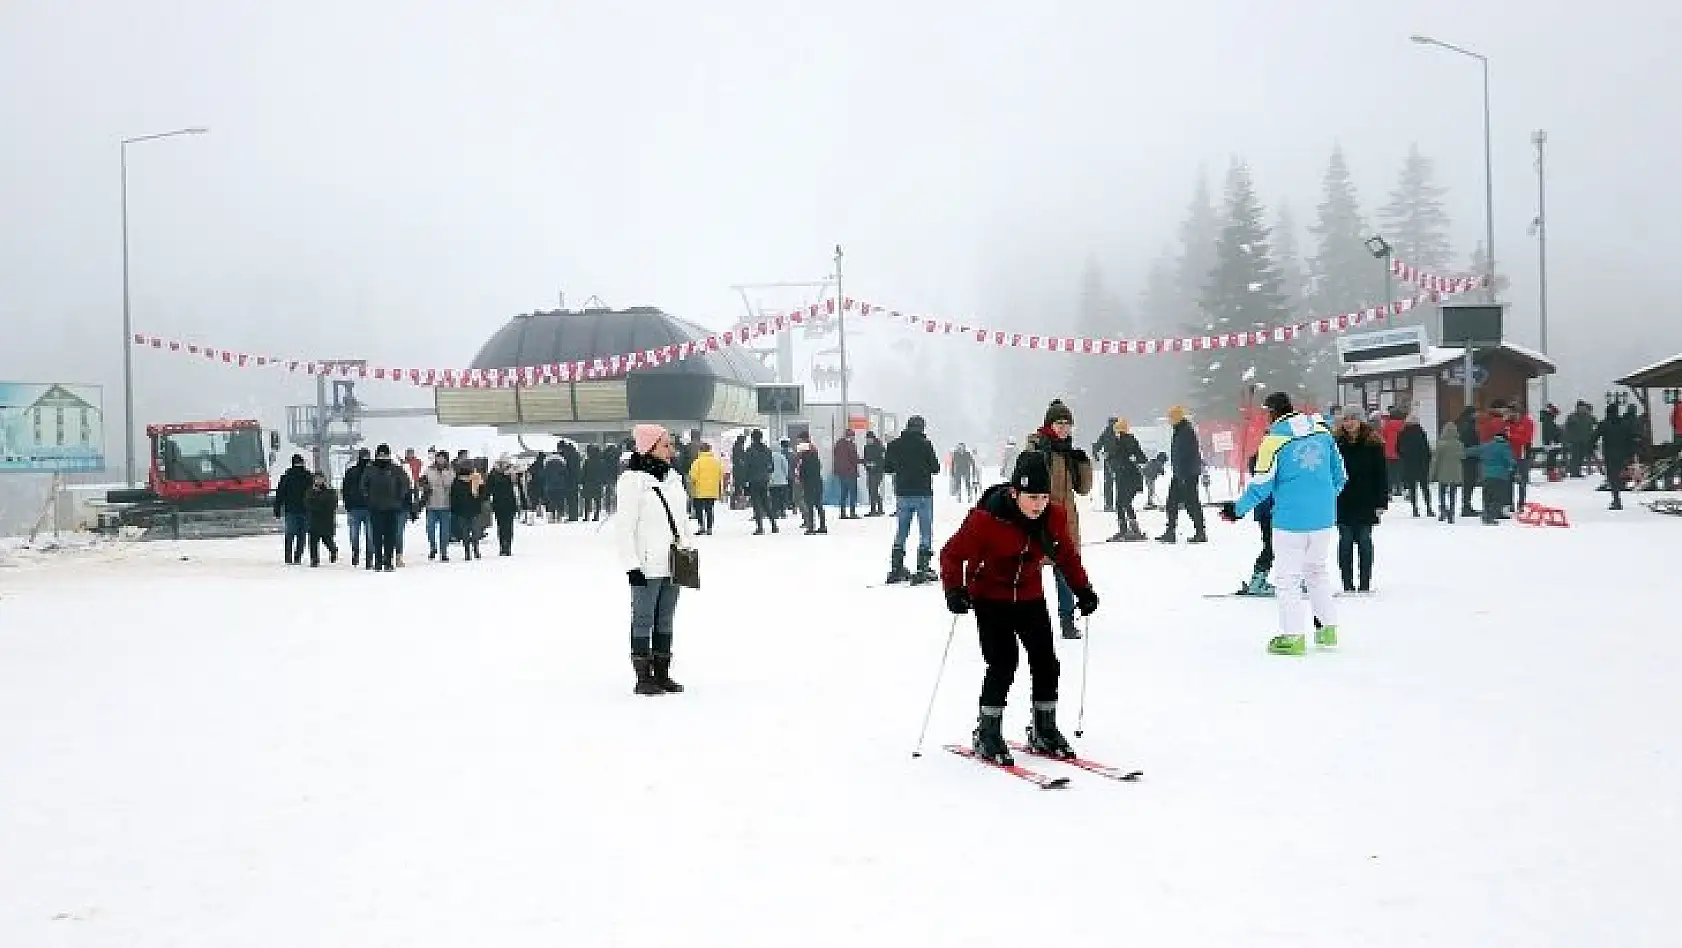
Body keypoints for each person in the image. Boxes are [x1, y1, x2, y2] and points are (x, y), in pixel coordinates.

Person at [940, 451, 1098, 766]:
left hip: (1029, 595)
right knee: (1003, 662)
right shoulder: (986, 520)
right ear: (1015, 493)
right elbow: (951, 554)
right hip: (990, 597)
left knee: (1046, 662)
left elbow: (1066, 555)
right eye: (1031, 497)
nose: (1038, 504)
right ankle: (988, 731)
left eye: (1043, 496)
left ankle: (1044, 728)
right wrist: (954, 590)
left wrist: (1083, 589)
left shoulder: (1053, 517)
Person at [1219, 392, 1347, 656]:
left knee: (1288, 579)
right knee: (1317, 572)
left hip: (1290, 521)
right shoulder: (1322, 432)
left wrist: (1236, 510)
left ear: (1272, 413)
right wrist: (1321, 500)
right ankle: (1328, 629)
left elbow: (1260, 486)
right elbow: (1340, 475)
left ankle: (1293, 637)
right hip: (1323, 519)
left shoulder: (1274, 441)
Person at [616, 424, 694, 696]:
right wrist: (631, 565)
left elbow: (682, 520)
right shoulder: (632, 482)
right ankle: (643, 676)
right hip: (646, 565)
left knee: (665, 619)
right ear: (649, 447)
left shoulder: (673, 478)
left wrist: (687, 547)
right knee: (643, 619)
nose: (671, 450)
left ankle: (662, 673)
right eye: (665, 445)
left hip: (673, 561)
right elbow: (624, 528)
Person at [1022, 399, 1094, 639]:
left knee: (1064, 574)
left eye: (1067, 424)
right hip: (1038, 519)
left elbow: (1083, 489)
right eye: (1059, 423)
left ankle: (1067, 621)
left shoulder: (1068, 452)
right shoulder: (1037, 448)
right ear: (1049, 424)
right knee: (1030, 574)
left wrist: (1083, 463)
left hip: (1065, 522)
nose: (1063, 428)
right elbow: (1021, 482)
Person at [1334, 411, 1388, 592]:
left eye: (1353, 419)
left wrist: (1381, 502)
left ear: (1361, 421)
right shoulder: (1335, 443)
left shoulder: (1374, 444)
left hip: (1367, 500)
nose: (1349, 423)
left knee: (1364, 541)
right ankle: (1347, 584)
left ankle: (1365, 583)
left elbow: (1381, 475)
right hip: (1343, 499)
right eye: (1346, 419)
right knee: (1345, 541)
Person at [883, 415, 941, 584]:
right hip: (923, 493)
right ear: (922, 428)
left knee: (901, 531)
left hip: (902, 493)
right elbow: (935, 468)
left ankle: (896, 567)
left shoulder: (894, 445)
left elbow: (887, 468)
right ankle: (922, 568)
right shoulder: (925, 444)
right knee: (925, 532)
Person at [1159, 406, 1207, 543]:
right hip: (1180, 473)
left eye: (1171, 418)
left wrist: (1184, 475)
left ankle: (1200, 532)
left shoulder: (1186, 431)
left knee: (1191, 503)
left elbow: (1187, 454)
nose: (1169, 421)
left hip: (1187, 474)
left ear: (1177, 418)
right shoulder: (1180, 430)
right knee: (1171, 503)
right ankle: (1170, 532)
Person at [361, 444, 411, 572]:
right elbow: (363, 486)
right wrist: (368, 498)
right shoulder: (370, 470)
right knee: (376, 536)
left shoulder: (396, 469)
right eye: (380, 454)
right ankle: (378, 561)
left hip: (392, 508)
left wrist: (399, 497)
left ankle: (388, 561)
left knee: (390, 536)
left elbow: (405, 484)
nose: (382, 457)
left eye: (384, 454)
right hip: (375, 508)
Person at [1104, 419, 1148, 542]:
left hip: (1124, 478)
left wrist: (1108, 457)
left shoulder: (1120, 442)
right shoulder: (1131, 440)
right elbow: (1143, 458)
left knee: (1121, 504)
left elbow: (1115, 457)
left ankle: (1125, 530)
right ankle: (1133, 530)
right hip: (1132, 478)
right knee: (1126, 503)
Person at [273, 454, 313, 565]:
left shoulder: (287, 476)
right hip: (305, 510)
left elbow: (280, 494)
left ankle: (288, 557)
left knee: (290, 534)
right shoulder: (308, 476)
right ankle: (297, 557)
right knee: (302, 535)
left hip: (291, 510)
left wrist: (277, 508)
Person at [419, 450, 457, 561]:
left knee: (445, 531)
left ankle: (444, 551)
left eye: (442, 458)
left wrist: (444, 473)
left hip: (445, 504)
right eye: (438, 457)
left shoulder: (451, 471)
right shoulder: (429, 469)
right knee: (430, 528)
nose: (440, 460)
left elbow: (449, 484)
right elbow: (421, 482)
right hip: (431, 504)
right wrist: (424, 486)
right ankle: (433, 547)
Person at [1596, 403, 1633, 511]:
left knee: (1613, 477)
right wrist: (1630, 453)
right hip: (1623, 454)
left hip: (1610, 454)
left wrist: (1589, 447)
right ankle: (1618, 492)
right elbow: (1630, 438)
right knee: (1619, 475)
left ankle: (1616, 499)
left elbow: (1595, 436)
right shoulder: (1624, 423)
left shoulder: (1604, 424)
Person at [1396, 416, 1434, 518]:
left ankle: (1414, 509)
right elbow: (1427, 449)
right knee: (1425, 487)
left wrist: (1404, 457)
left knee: (1412, 488)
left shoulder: (1403, 434)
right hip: (1422, 464)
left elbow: (1398, 448)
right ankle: (1429, 508)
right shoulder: (1421, 433)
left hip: (1409, 464)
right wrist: (1427, 461)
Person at [341, 448, 372, 567]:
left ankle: (367, 556)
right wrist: (348, 504)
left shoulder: (370, 472)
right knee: (358, 535)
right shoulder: (352, 472)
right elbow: (345, 489)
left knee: (365, 535)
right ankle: (357, 554)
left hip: (365, 508)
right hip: (356, 508)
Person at [741, 429, 777, 534]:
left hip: (753, 480)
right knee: (766, 503)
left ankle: (760, 527)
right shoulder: (767, 450)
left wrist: (745, 481)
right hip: (764, 479)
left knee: (756, 504)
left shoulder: (749, 450)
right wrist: (766, 473)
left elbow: (746, 467)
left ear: (752, 438)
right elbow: (771, 467)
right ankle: (774, 525)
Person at [1479, 429, 1516, 525]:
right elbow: (1509, 460)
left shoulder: (1486, 445)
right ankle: (1491, 517)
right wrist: (1513, 467)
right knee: (1497, 497)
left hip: (1486, 475)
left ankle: (1485, 514)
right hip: (1499, 476)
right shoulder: (1504, 447)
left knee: (1487, 496)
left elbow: (1476, 452)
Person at [304, 471, 340, 567]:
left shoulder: (330, 491)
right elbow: (308, 504)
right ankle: (314, 560)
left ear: (324, 480)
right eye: (316, 479)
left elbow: (331, 504)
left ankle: (333, 550)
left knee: (327, 539)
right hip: (314, 519)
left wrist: (318, 502)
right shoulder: (310, 491)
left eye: (320, 479)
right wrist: (320, 502)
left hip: (326, 520)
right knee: (313, 541)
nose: (318, 481)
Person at [449, 459, 483, 560]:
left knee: (468, 532)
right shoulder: (474, 478)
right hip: (469, 509)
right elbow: (482, 493)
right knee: (472, 531)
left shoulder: (473, 479)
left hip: (466, 509)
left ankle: (470, 551)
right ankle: (472, 550)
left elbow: (453, 496)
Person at [1432, 422, 1465, 523]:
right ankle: (1451, 513)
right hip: (1455, 471)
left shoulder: (1441, 444)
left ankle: (1442, 510)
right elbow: (1463, 456)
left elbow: (1435, 460)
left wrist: (1432, 473)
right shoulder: (1459, 444)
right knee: (1452, 492)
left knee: (1442, 491)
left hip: (1443, 471)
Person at [485, 456, 518, 556]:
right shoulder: (494, 475)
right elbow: (489, 489)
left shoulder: (511, 474)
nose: (505, 465)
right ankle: (503, 545)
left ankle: (507, 546)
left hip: (510, 503)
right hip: (499, 503)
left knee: (508, 525)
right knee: (501, 525)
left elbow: (516, 485)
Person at [688, 442, 723, 535]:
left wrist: (691, 487)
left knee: (699, 509)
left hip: (699, 491)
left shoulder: (697, 462)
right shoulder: (716, 462)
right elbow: (720, 475)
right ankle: (710, 528)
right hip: (712, 491)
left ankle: (701, 527)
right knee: (709, 509)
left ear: (700, 450)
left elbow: (693, 476)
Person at [1507, 404, 1537, 509]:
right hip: (1510, 454)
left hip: (1523, 454)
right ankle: (1509, 504)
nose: (1511, 415)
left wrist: (1511, 436)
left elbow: (1526, 439)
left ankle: (1521, 503)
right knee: (1508, 480)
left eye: (1513, 412)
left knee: (1522, 480)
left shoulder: (1527, 422)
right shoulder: (1508, 423)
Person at [1456, 406, 1483, 517]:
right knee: (1469, 482)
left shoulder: (1460, 423)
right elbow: (1470, 440)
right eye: (1476, 413)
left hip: (1465, 457)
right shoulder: (1469, 425)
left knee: (1468, 483)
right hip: (1470, 457)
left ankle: (1466, 505)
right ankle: (1466, 507)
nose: (1477, 415)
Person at [798, 437, 828, 534]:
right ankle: (823, 526)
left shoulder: (803, 460)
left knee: (810, 506)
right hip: (818, 483)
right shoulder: (816, 458)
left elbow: (802, 474)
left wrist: (800, 480)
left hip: (808, 485)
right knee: (819, 505)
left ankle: (811, 527)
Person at [1092, 418, 1120, 512]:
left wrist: (1096, 454)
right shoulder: (1113, 432)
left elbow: (1097, 445)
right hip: (1113, 461)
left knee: (1110, 484)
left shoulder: (1108, 432)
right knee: (1114, 483)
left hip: (1112, 461)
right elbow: (1098, 445)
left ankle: (1110, 505)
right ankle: (1114, 504)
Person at [833, 429, 862, 519]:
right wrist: (863, 461)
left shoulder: (838, 444)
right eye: (853, 436)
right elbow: (854, 458)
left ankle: (842, 513)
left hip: (841, 473)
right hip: (850, 473)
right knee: (853, 493)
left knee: (843, 493)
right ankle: (852, 513)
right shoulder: (851, 445)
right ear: (850, 436)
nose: (854, 438)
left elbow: (836, 457)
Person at [1565, 401, 1597, 478]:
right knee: (1575, 457)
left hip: (1585, 440)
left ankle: (1577, 471)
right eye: (1580, 407)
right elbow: (1567, 429)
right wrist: (1568, 440)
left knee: (1581, 457)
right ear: (1577, 408)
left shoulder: (1588, 417)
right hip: (1575, 441)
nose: (1582, 409)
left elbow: (1594, 426)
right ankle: (1574, 472)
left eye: (1583, 407)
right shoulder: (1572, 417)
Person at [1380, 410, 1406, 497]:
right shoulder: (1405, 425)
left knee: (1389, 473)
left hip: (1389, 453)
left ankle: (1390, 491)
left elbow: (1383, 438)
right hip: (1401, 452)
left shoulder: (1387, 425)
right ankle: (1400, 488)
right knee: (1400, 471)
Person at [581, 444, 609, 521]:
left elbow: (583, 472)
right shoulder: (601, 461)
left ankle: (586, 516)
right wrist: (604, 482)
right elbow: (604, 472)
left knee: (587, 501)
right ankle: (596, 516)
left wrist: (582, 481)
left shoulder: (587, 461)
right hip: (598, 483)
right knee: (597, 501)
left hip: (588, 483)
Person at [863, 430, 887, 516]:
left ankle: (875, 510)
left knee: (873, 489)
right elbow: (865, 458)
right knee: (871, 490)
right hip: (870, 471)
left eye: (870, 439)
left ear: (873, 438)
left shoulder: (879, 447)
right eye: (867, 439)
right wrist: (866, 464)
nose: (868, 440)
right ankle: (878, 509)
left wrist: (875, 464)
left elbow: (883, 460)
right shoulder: (866, 447)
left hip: (878, 472)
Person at [769, 438, 792, 520]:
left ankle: (775, 511)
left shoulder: (769, 456)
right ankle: (782, 511)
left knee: (774, 497)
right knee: (782, 497)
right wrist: (786, 476)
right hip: (782, 481)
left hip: (772, 481)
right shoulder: (781, 456)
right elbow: (785, 467)